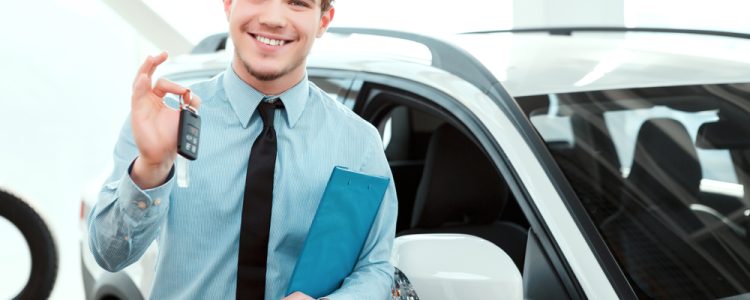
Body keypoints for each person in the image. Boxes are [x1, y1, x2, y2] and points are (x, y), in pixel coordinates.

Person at [87, 0, 398, 299]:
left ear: (323, 20)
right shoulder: (167, 118)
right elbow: (110, 256)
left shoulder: (359, 143)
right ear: (227, 4)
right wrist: (152, 168)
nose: (274, 18)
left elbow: (374, 268)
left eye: (297, 2)